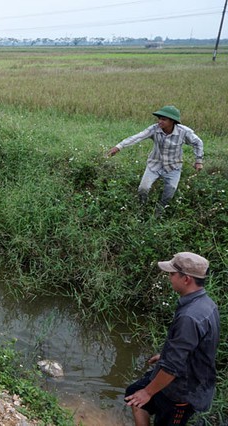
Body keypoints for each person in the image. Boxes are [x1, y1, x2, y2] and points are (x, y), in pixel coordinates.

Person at [125, 252, 219, 426]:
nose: (169, 278)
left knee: (144, 399)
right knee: (133, 393)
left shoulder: (190, 316)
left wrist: (148, 392)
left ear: (186, 279)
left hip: (184, 390)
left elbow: (173, 368)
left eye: (172, 274)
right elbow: (194, 346)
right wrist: (165, 355)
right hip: (182, 376)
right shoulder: (206, 304)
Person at [107, 106, 204, 213]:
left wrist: (198, 161)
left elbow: (198, 143)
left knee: (170, 191)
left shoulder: (184, 132)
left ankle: (159, 212)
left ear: (172, 121)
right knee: (143, 188)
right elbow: (137, 137)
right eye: (159, 118)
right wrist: (118, 147)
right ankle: (141, 208)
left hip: (173, 166)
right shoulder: (154, 129)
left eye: (164, 119)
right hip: (154, 164)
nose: (160, 122)